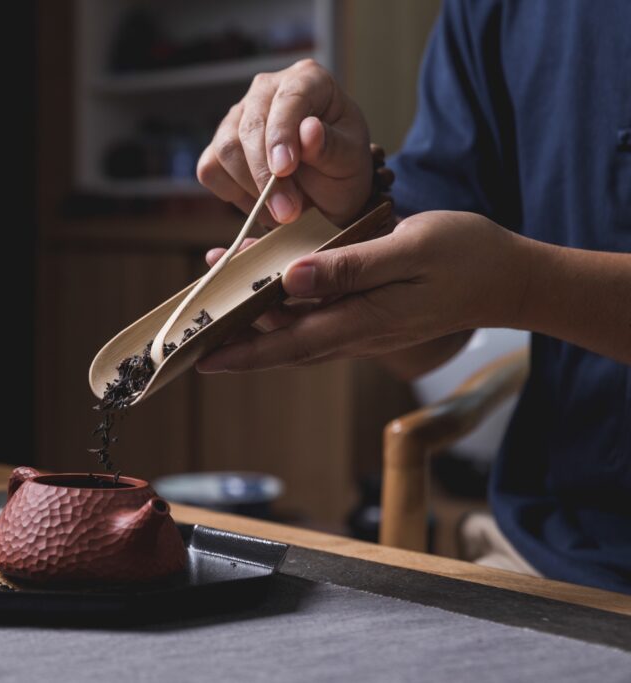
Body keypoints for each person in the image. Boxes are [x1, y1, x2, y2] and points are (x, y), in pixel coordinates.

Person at [194, 0, 631, 594]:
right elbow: (426, 345)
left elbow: (497, 286)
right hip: (551, 551)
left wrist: (529, 288)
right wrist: (348, 210)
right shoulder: (496, 13)